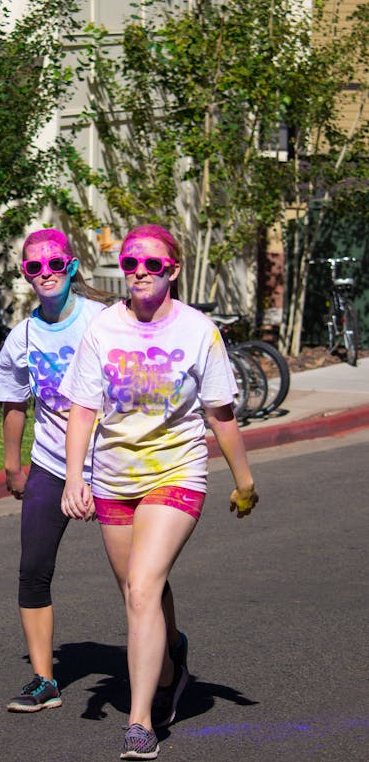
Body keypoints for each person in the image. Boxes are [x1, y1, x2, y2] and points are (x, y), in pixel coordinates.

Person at [60, 223, 258, 760]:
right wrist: (74, 475)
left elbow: (220, 412)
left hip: (177, 471)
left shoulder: (198, 331)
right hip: (114, 477)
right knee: (135, 590)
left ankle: (141, 721)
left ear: (172, 270)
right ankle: (173, 659)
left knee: (144, 587)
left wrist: (245, 480)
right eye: (130, 264)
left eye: (151, 264)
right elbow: (82, 408)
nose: (140, 272)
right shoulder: (103, 329)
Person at [0, 227, 112, 713]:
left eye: (54, 264)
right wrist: (12, 466)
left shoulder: (104, 322)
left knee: (136, 578)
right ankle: (44, 680)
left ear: (72, 267)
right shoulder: (22, 335)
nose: (45, 274)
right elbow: (14, 402)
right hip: (50, 464)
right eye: (34, 267)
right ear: (26, 273)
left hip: (111, 464)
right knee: (32, 572)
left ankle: (167, 659)